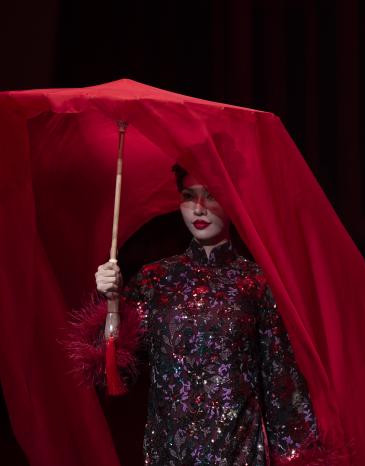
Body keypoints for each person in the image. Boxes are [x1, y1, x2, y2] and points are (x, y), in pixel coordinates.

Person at [83, 163, 328, 465]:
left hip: (238, 454)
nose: (198, 208)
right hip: (168, 455)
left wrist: (298, 457)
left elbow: (281, 385)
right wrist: (112, 304)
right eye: (189, 196)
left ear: (232, 200)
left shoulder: (256, 284)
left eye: (211, 195)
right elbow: (115, 375)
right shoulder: (154, 280)